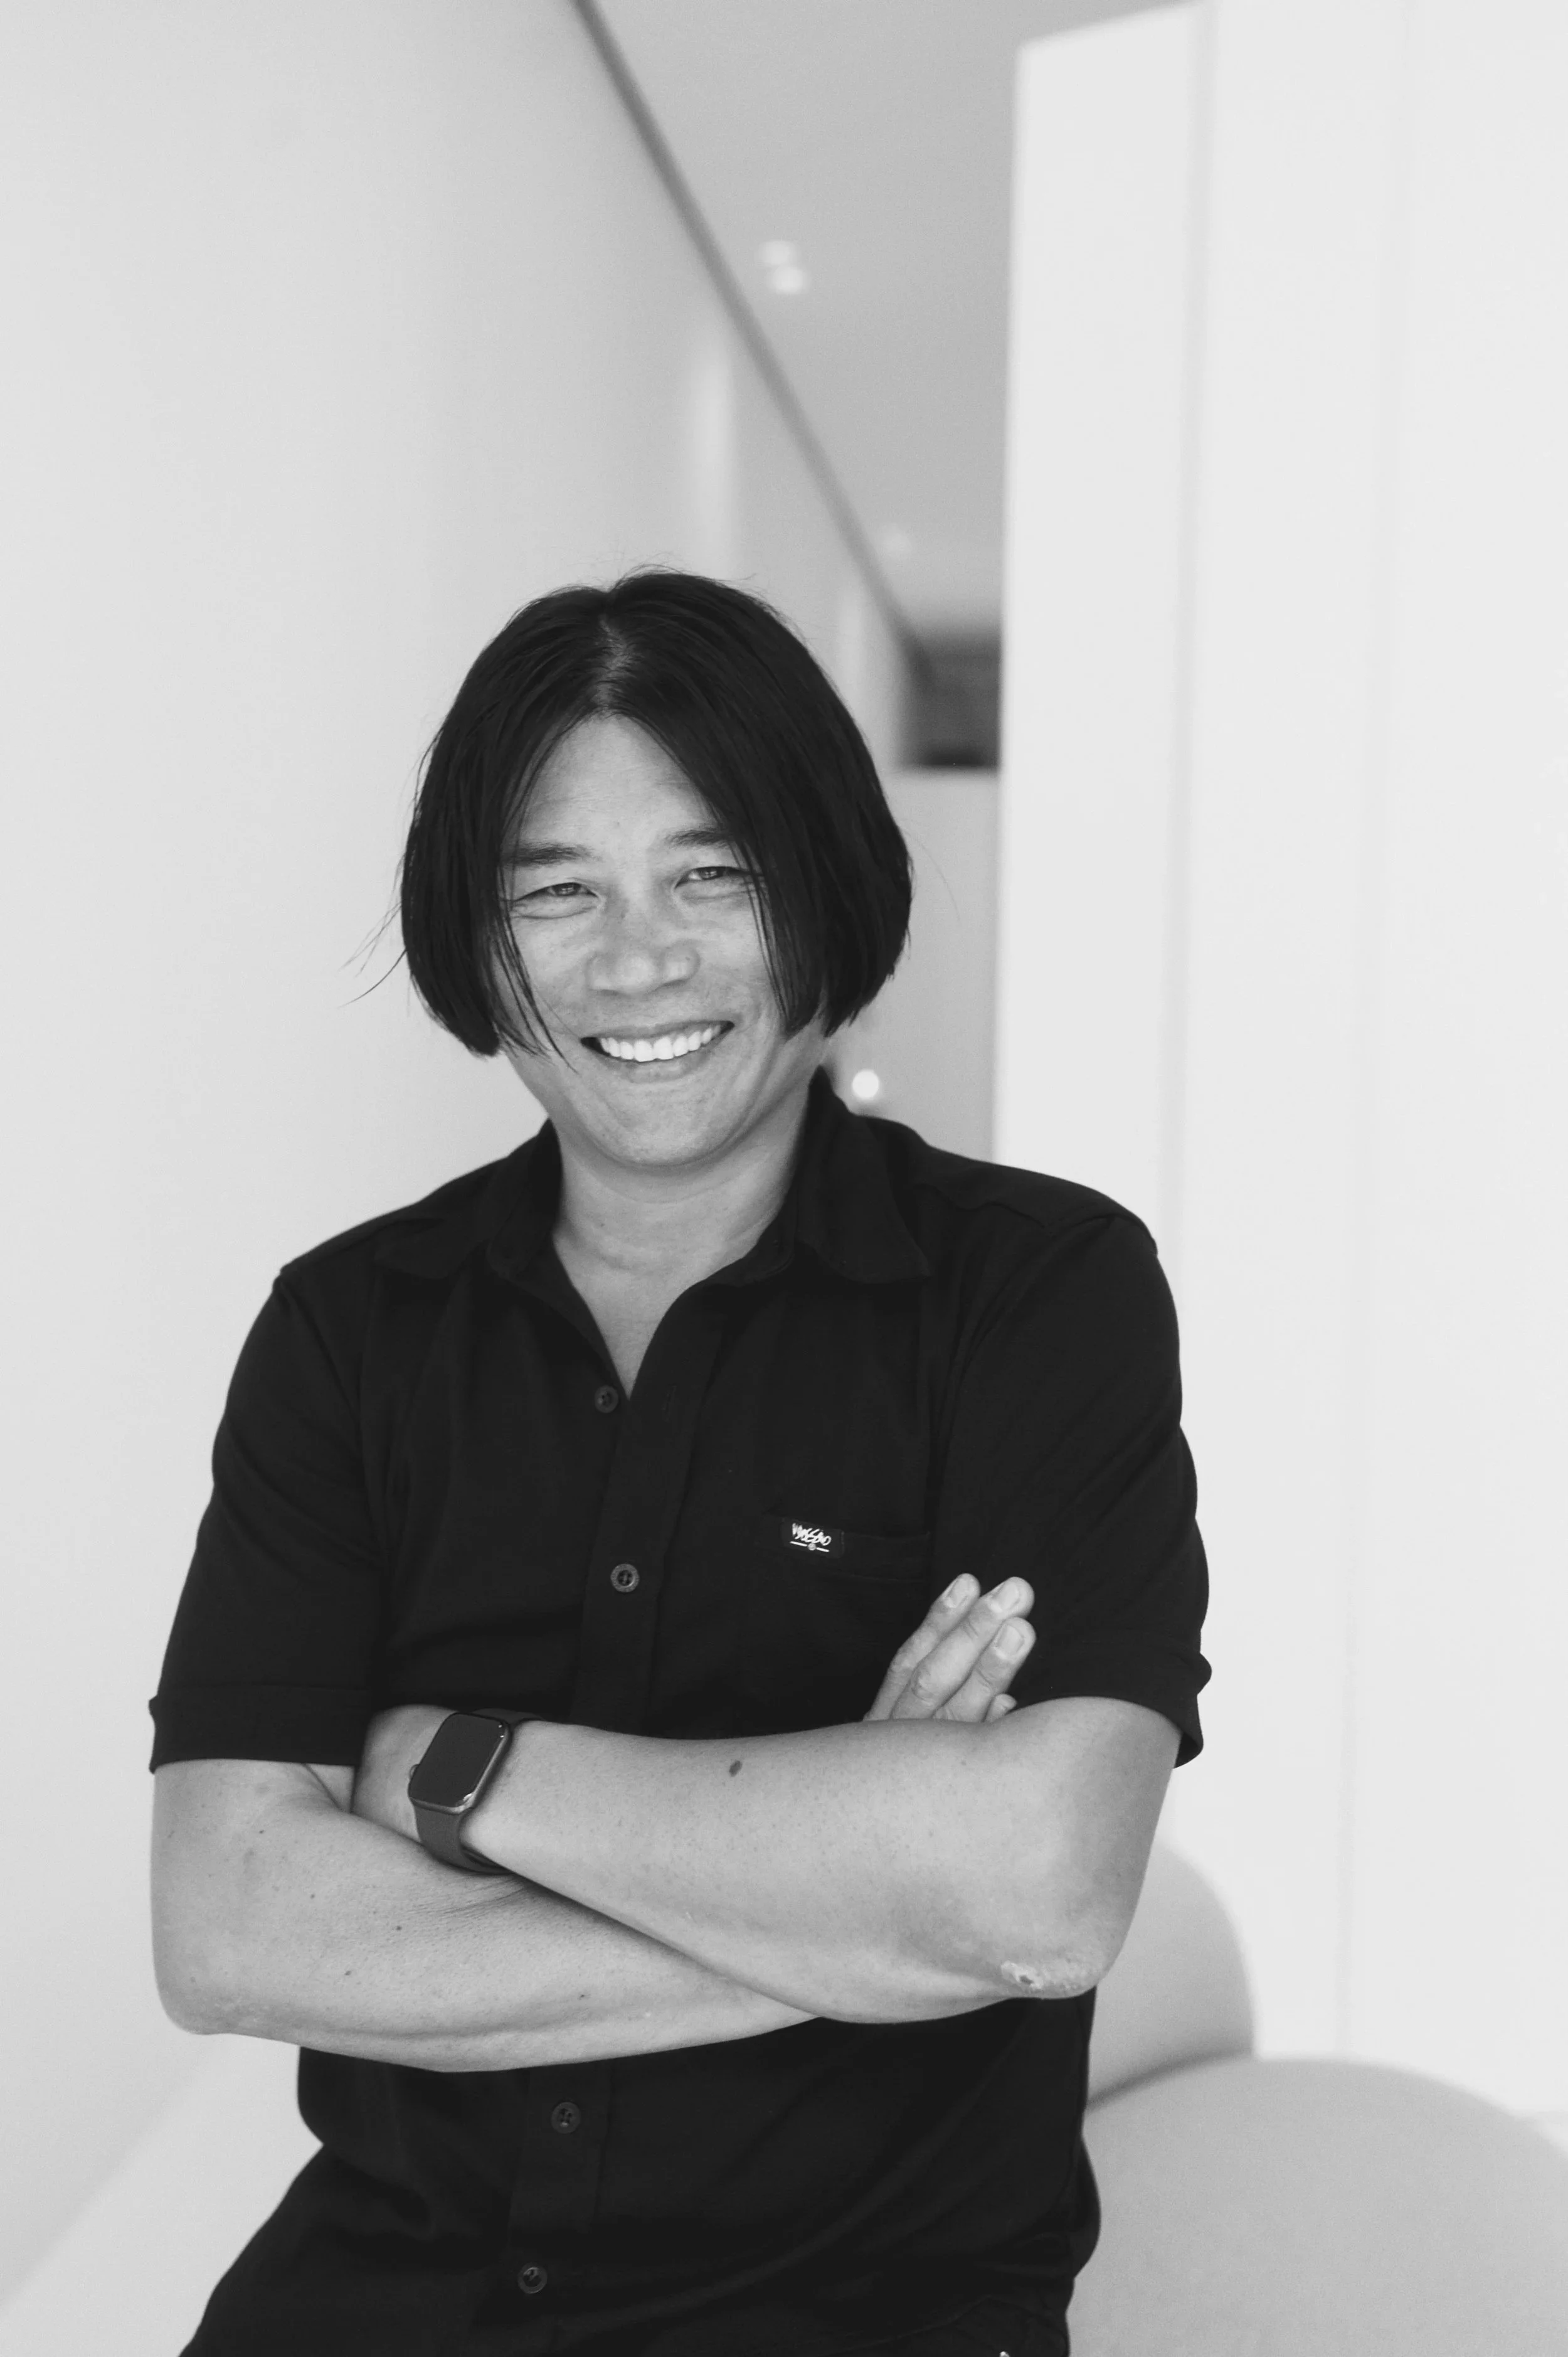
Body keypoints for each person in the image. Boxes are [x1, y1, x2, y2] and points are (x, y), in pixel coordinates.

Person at [149, 569, 1210, 2357]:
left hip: (860, 2316)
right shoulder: (349, 1330)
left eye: (709, 876)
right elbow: (232, 1927)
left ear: (821, 888)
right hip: (378, 2307)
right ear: (478, 944)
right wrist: (863, 1907)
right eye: (555, 891)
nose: (635, 960)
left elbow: (1038, 1886)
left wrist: (460, 1774)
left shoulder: (1039, 1294)